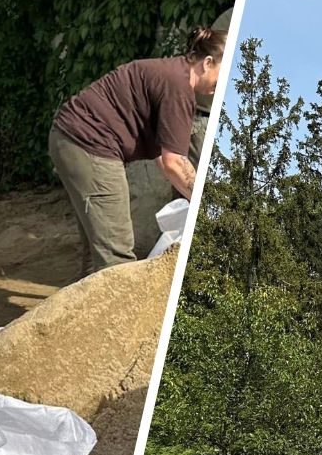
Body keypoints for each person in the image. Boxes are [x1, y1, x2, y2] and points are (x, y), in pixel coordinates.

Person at [50, 27, 226, 276]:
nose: (222, 86)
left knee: (98, 247)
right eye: (224, 74)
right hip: (89, 144)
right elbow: (174, 162)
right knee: (117, 256)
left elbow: (164, 159)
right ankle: (116, 314)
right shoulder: (179, 87)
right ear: (208, 63)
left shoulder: (171, 72)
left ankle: (91, 313)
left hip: (70, 138)